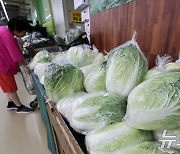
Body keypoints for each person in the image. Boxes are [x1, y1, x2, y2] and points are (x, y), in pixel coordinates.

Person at [0, 17, 34, 113]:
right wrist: (29, 65)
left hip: (2, 62)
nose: (24, 34)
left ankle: (11, 103)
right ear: (16, 29)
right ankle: (19, 107)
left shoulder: (3, 30)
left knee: (7, 85)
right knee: (11, 87)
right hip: (2, 65)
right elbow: (16, 56)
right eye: (24, 31)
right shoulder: (7, 35)